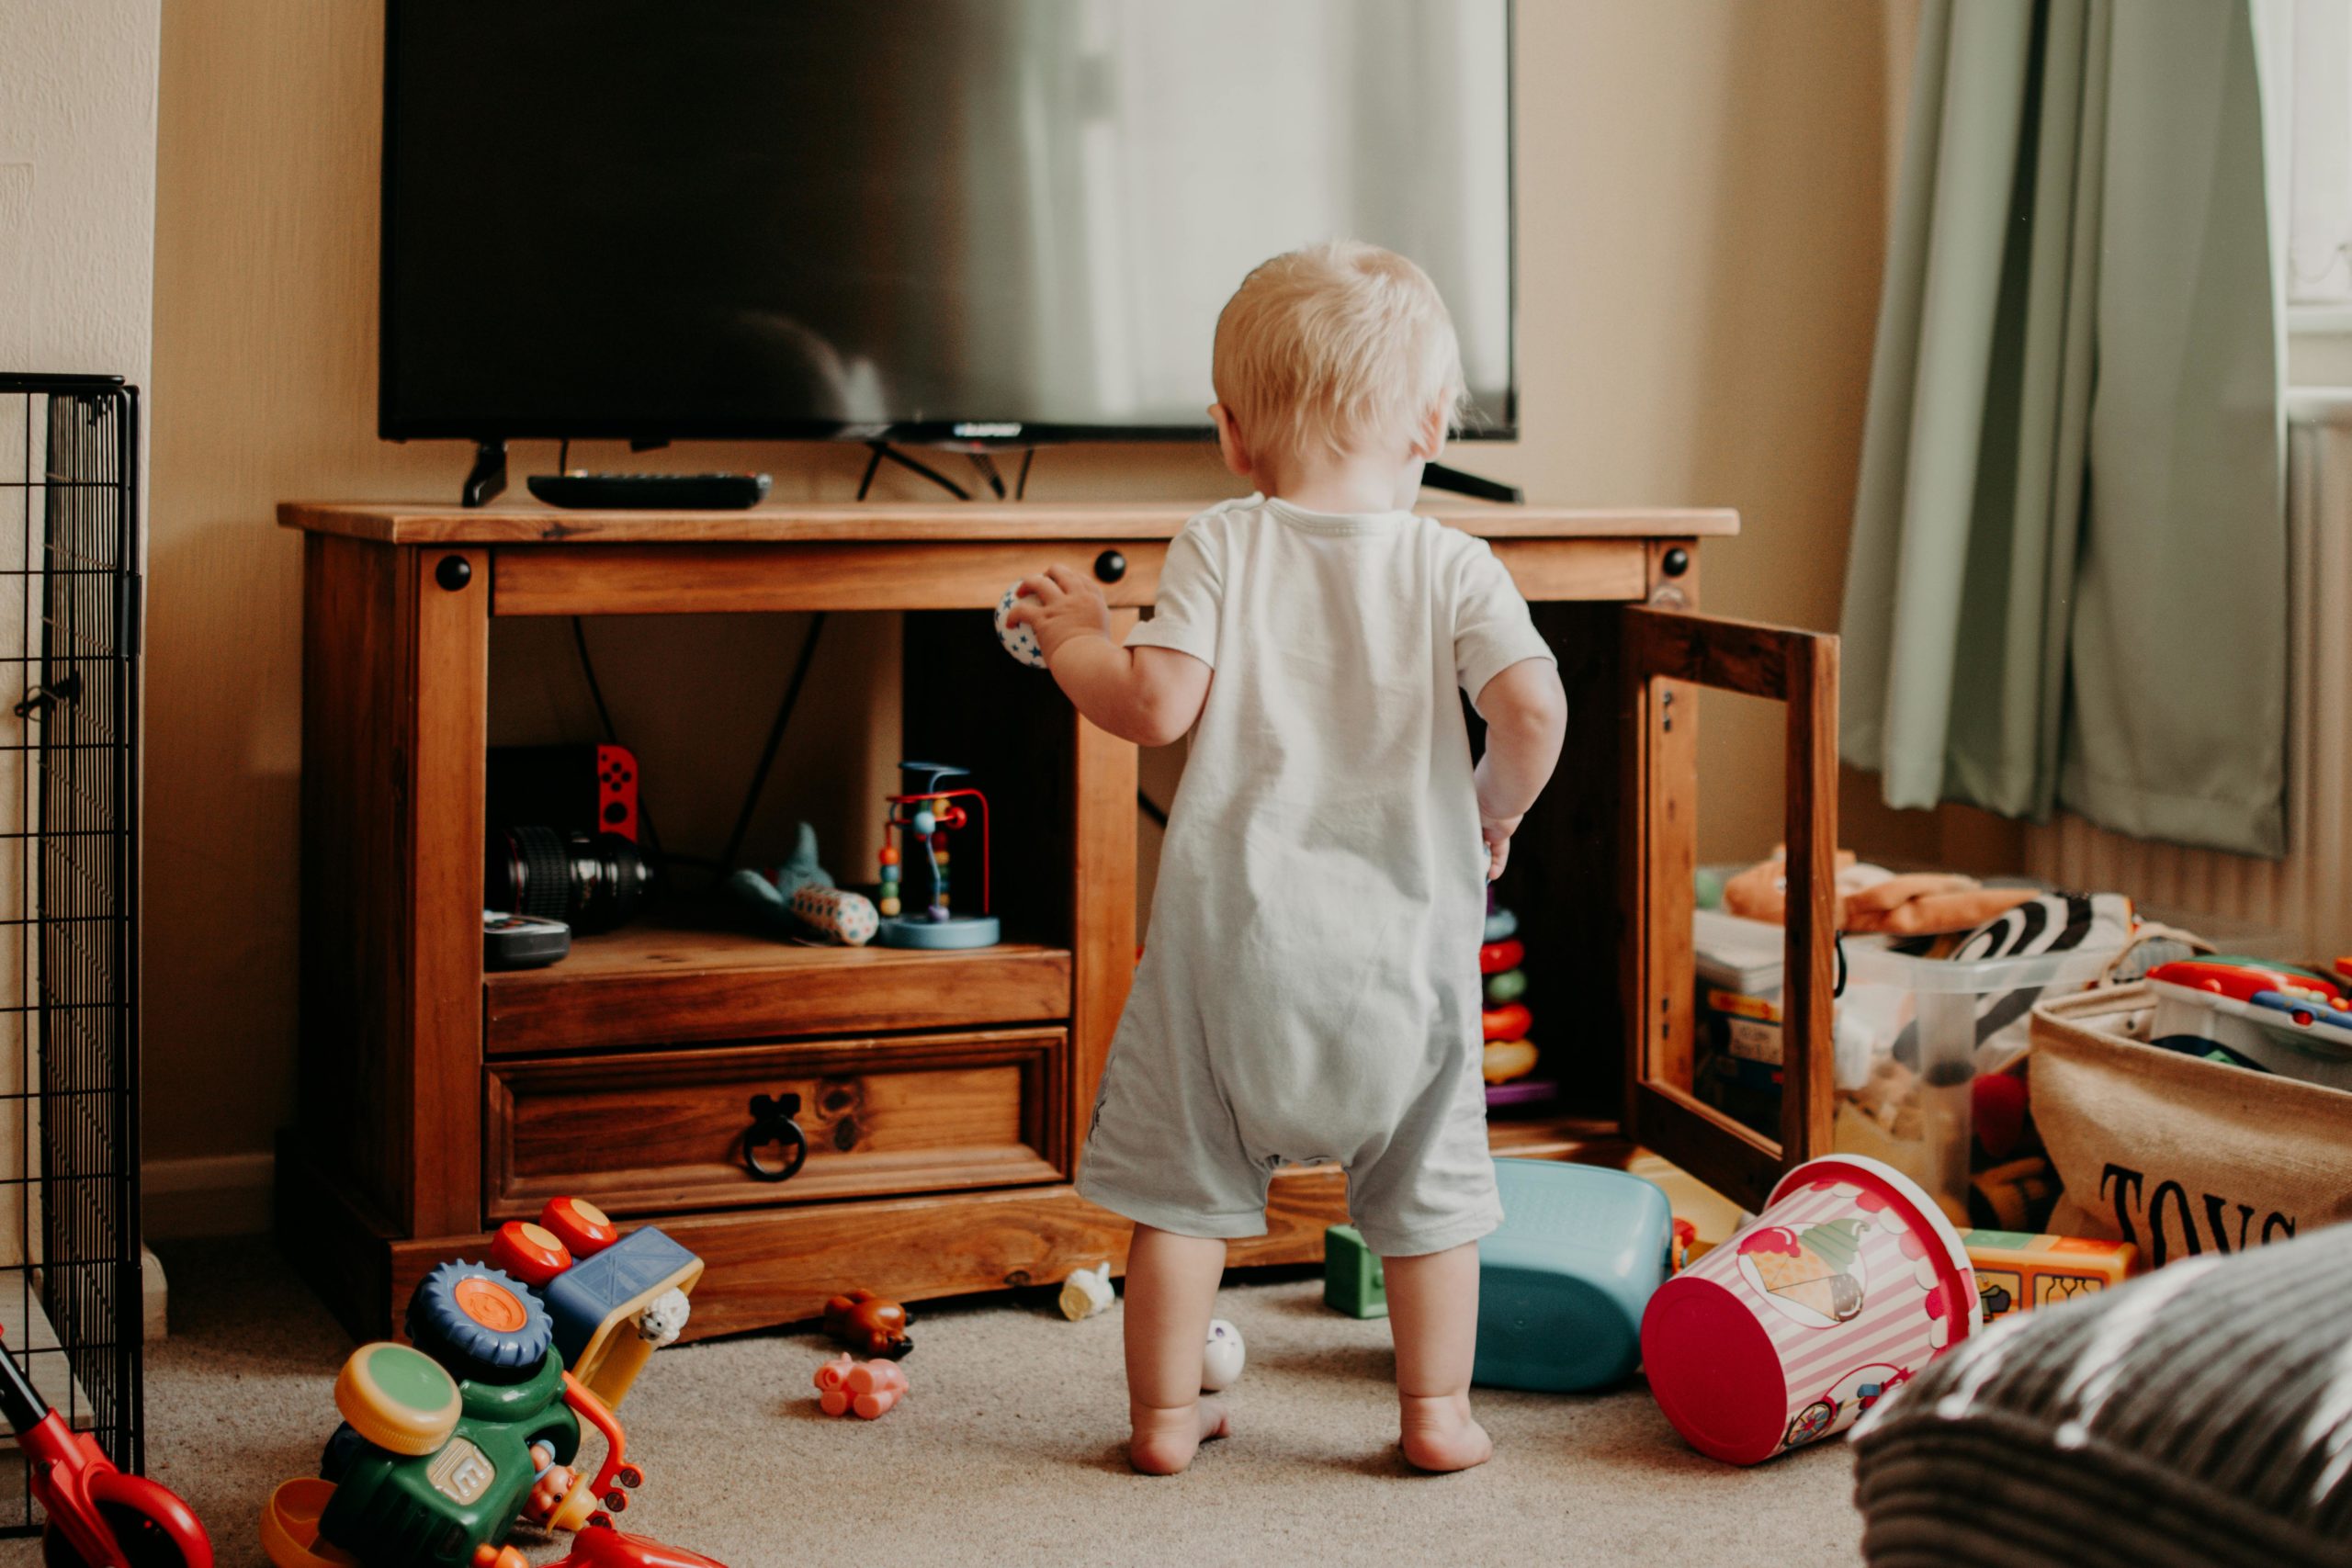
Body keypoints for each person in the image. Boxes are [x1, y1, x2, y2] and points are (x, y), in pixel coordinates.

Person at [1006, 241, 1566, 1475]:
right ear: (1430, 420)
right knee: (1426, 1210)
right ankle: (1434, 1417)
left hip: (1230, 959)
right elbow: (1533, 712)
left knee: (1185, 1201)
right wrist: (1492, 810)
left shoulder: (1222, 542)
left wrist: (1077, 638)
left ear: (1232, 434)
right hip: (1407, 962)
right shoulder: (1454, 562)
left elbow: (1151, 709)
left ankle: (1163, 1422)